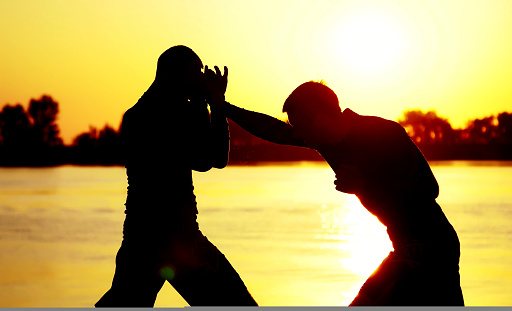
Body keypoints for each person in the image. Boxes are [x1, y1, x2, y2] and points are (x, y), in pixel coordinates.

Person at [221, 80, 464, 306]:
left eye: (299, 126)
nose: (299, 135)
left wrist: (365, 185)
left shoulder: (384, 133)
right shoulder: (325, 140)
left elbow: (429, 187)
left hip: (433, 246)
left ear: (318, 120)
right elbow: (273, 130)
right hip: (401, 246)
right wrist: (222, 106)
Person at [95, 46, 257, 307]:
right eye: (197, 75)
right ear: (182, 74)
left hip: (140, 239)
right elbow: (214, 159)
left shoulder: (135, 114)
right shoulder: (177, 111)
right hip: (180, 241)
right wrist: (214, 103)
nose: (201, 81)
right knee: (238, 305)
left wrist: (203, 103)